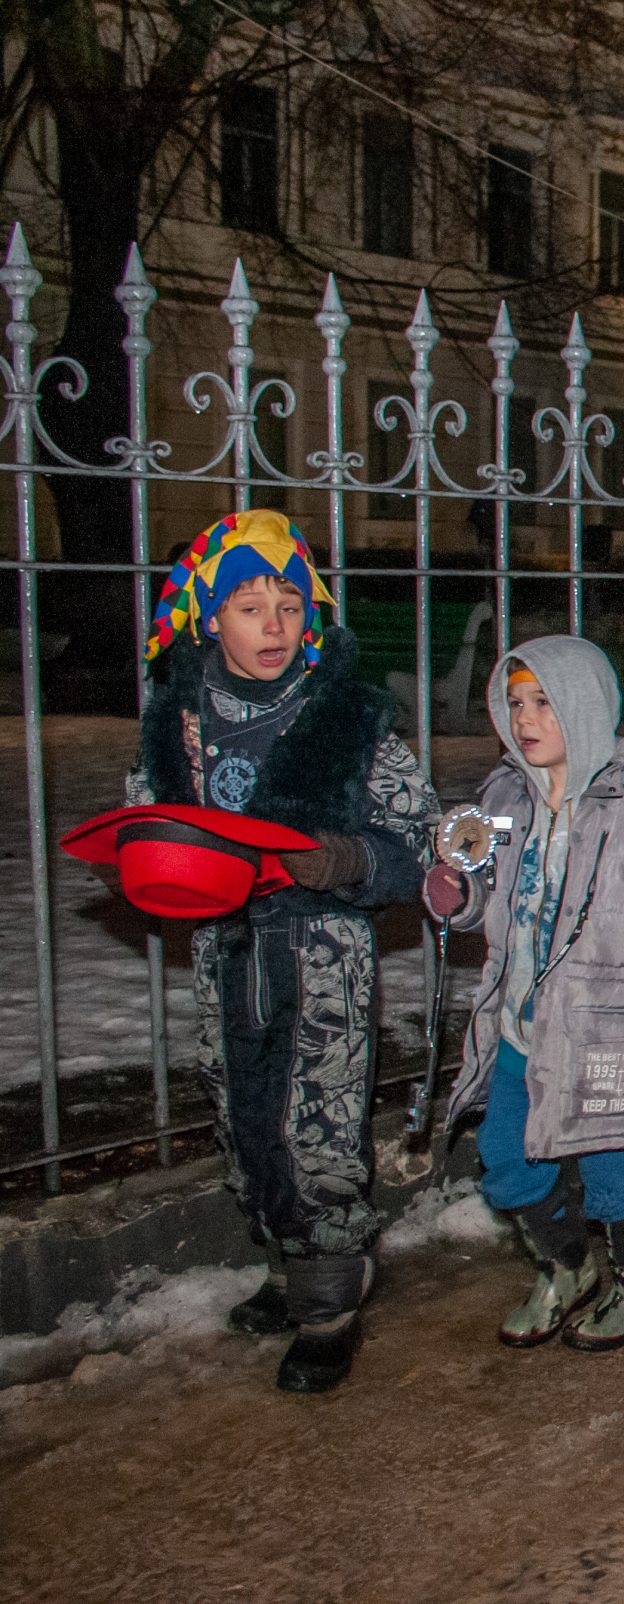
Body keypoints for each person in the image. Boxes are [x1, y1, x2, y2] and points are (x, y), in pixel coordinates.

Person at [127, 511, 435, 1393]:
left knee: (318, 1124)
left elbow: (415, 844)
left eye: (291, 604)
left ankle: (331, 1296)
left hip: (321, 952)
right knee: (244, 1113)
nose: (274, 624)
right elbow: (147, 819)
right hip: (226, 952)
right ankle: (284, 1262)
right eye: (251, 606)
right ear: (208, 618)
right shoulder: (177, 722)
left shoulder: (348, 719)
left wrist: (344, 859)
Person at [428, 637, 624, 1352]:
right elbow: (485, 897)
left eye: (544, 703)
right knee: (505, 1157)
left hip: (613, 1030)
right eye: (515, 703)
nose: (524, 720)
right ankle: (567, 1266)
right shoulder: (505, 796)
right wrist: (458, 895)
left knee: (616, 1172)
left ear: (584, 708)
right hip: (523, 1023)